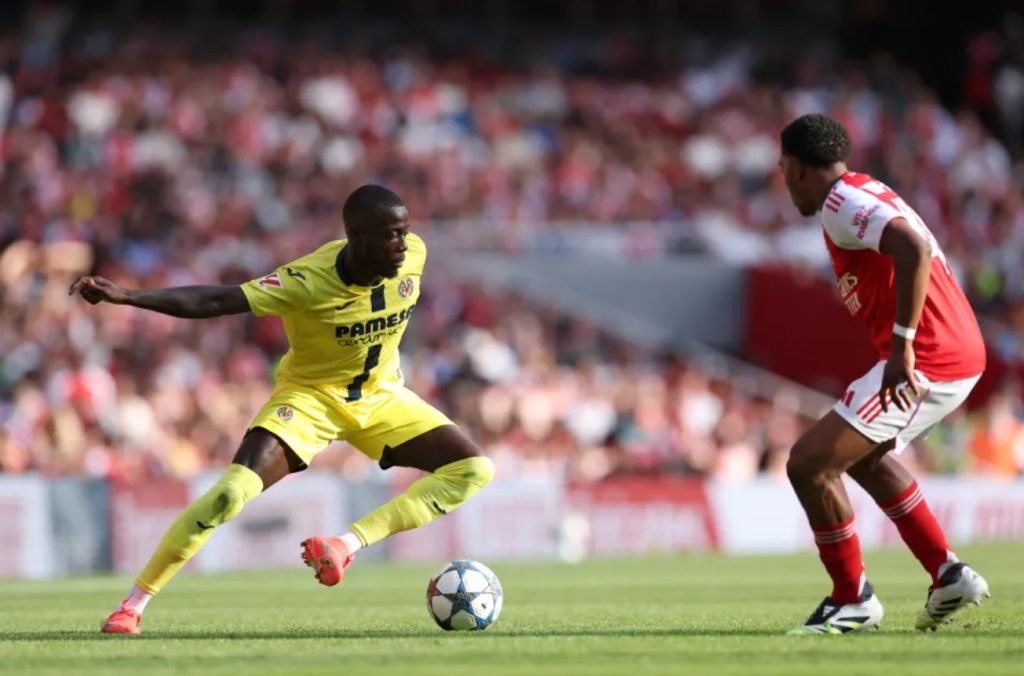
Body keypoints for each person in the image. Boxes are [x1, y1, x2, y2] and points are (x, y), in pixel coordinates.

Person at [71, 184, 495, 635]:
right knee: (229, 494)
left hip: (383, 396)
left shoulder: (414, 256)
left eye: (405, 232)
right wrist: (131, 297)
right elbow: (219, 300)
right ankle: (132, 606)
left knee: (473, 469)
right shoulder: (305, 281)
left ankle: (344, 545)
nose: (403, 244)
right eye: (391, 235)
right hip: (310, 400)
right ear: (357, 236)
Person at [777, 114, 990, 635]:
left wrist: (902, 347)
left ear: (798, 168)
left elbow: (911, 247)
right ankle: (948, 574)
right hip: (954, 350)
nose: (785, 185)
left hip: (932, 356)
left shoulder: (838, 202)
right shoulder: (861, 191)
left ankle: (852, 598)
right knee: (867, 460)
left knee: (809, 464)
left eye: (784, 172)